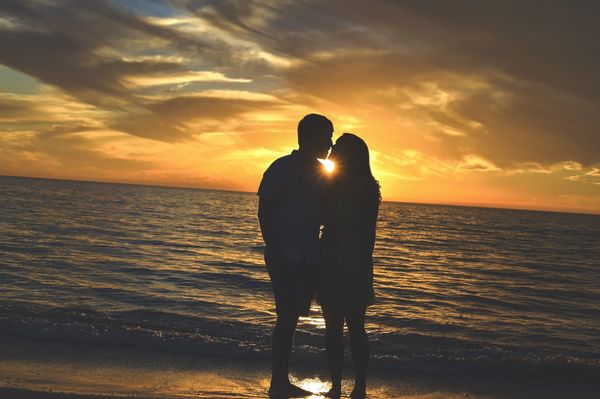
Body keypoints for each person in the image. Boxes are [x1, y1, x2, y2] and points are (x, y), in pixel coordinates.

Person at [258, 114, 334, 398]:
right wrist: (276, 250)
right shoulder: (281, 168)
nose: (329, 144)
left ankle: (281, 380)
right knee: (286, 317)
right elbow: (266, 211)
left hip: (309, 256)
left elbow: (324, 214)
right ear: (311, 138)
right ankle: (278, 382)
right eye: (326, 137)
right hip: (285, 254)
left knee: (293, 317)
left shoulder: (325, 174)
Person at [317, 133, 380, 399]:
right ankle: (338, 385)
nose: (332, 151)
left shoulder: (363, 186)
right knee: (335, 327)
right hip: (332, 259)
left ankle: (359, 385)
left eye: (338, 148)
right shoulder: (334, 182)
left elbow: (355, 226)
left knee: (354, 326)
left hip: (351, 262)